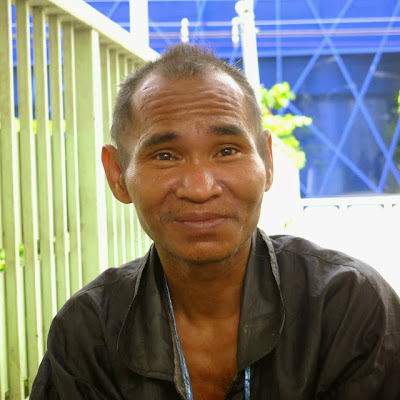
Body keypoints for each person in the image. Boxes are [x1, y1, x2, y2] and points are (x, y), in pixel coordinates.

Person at [31, 43, 400, 400]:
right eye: (165, 155)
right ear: (117, 175)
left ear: (267, 161)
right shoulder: (89, 332)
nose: (200, 188)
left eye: (227, 150)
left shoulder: (347, 306)